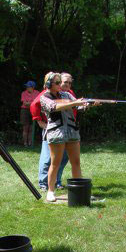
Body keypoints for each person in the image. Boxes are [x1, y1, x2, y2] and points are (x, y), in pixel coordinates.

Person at [39, 72, 89, 202]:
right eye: (57, 82)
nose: (60, 84)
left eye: (60, 82)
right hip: (56, 133)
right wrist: (75, 103)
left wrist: (87, 104)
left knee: (76, 162)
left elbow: (78, 106)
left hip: (72, 131)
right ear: (49, 84)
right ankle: (50, 191)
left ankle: (79, 190)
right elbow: (55, 107)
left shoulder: (66, 95)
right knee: (55, 163)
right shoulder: (44, 97)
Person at [20, 81, 39, 146]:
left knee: (31, 127)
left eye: (29, 87)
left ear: (33, 87)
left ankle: (30, 143)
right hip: (25, 111)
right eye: (27, 86)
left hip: (33, 110)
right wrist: (32, 102)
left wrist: (29, 103)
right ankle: (25, 143)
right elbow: (25, 103)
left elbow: (37, 102)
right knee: (25, 127)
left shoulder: (37, 93)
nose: (27, 88)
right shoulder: (23, 93)